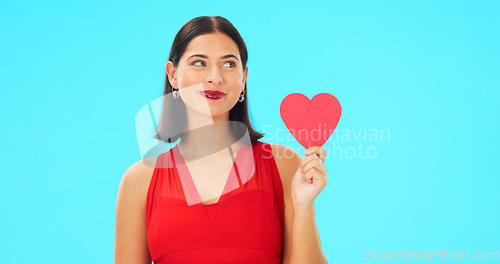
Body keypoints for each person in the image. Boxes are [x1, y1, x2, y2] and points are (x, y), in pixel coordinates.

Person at [115, 16, 329, 264]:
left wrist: (302, 206)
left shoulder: (283, 165)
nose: (214, 77)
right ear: (173, 75)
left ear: (243, 77)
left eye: (228, 64)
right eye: (199, 63)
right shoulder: (139, 181)